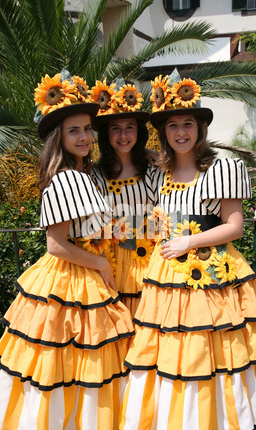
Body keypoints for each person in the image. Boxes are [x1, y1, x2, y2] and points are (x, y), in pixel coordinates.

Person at [119, 71, 256, 430]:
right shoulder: (159, 173)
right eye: (173, 125)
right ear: (163, 133)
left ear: (200, 128)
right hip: (166, 276)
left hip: (209, 272)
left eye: (187, 124)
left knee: (210, 351)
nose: (180, 132)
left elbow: (235, 226)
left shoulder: (222, 167)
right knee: (174, 351)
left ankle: (207, 423)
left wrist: (186, 243)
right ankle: (178, 424)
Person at [0, 72, 134, 430]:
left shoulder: (84, 174)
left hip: (84, 273)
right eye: (74, 131)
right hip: (72, 275)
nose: (84, 137)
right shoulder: (67, 178)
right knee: (74, 360)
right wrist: (101, 264)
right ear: (60, 138)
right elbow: (56, 245)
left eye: (86, 128)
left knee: (77, 361)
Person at [90, 78, 156, 316]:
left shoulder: (153, 168)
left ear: (139, 131)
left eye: (130, 127)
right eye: (115, 128)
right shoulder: (95, 175)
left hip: (149, 259)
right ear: (106, 134)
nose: (123, 135)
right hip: (111, 263)